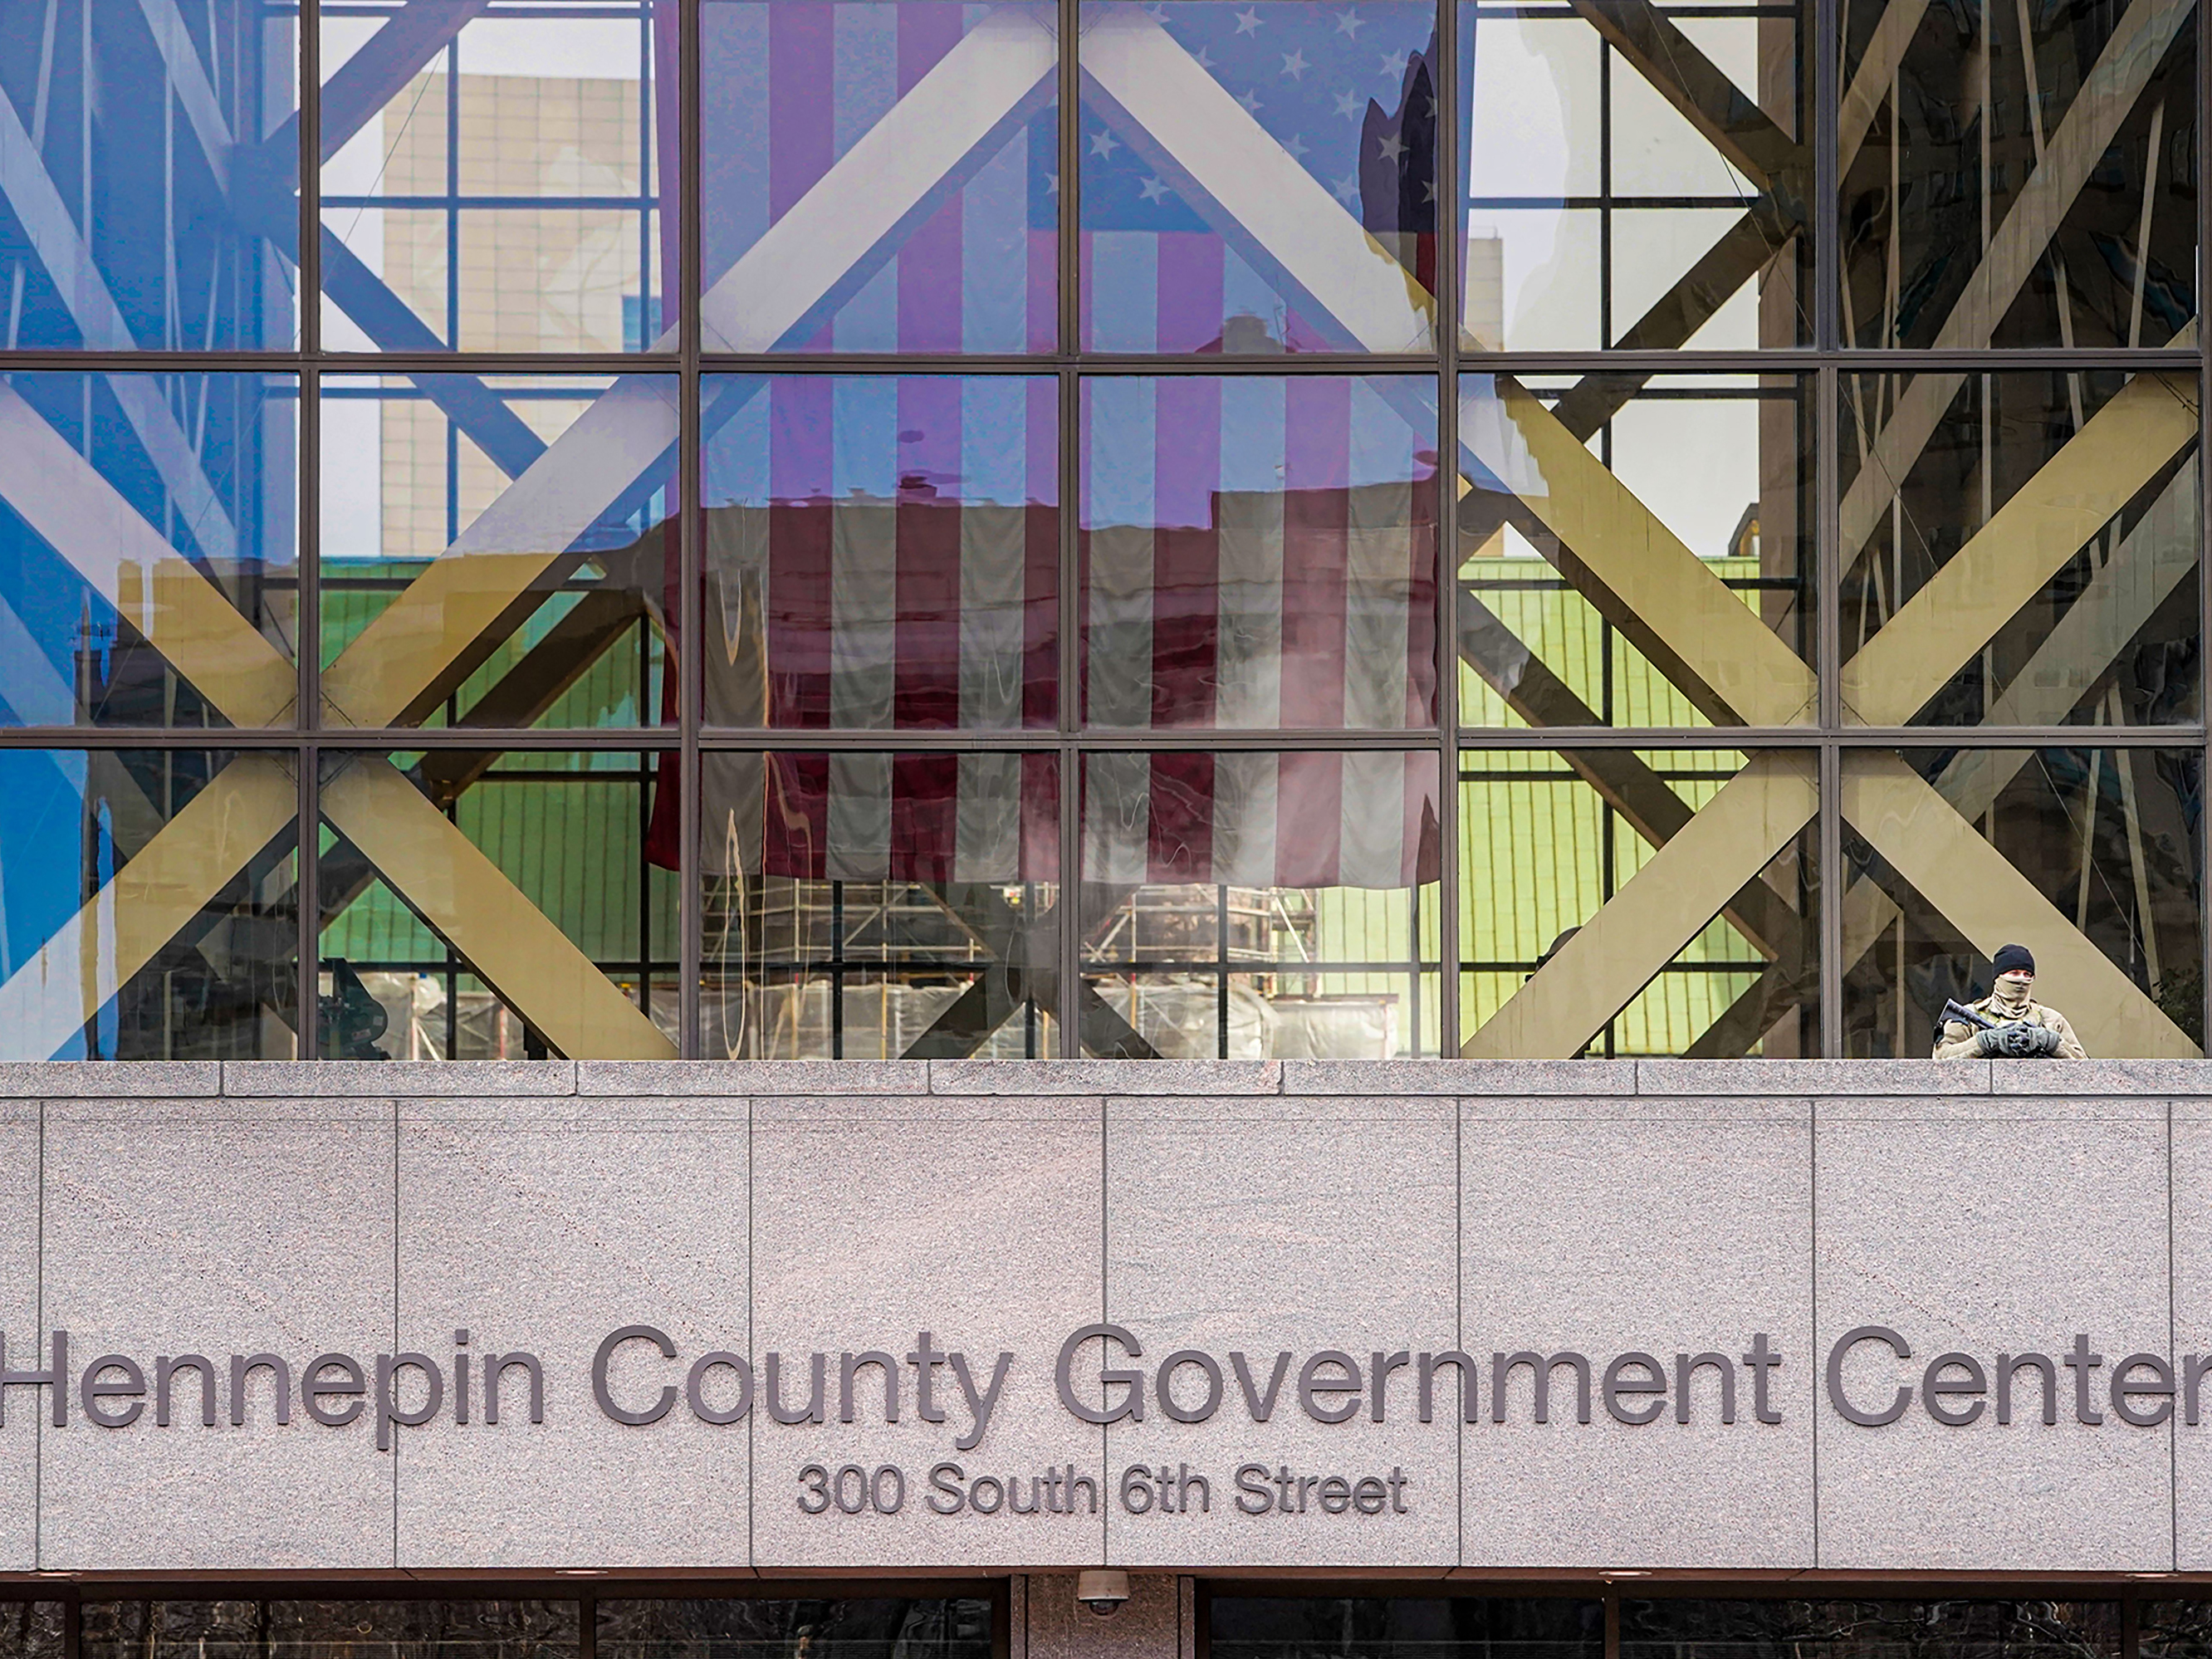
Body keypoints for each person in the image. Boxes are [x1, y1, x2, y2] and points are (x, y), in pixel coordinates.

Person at [1931, 943, 2087, 1059]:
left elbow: (2087, 1069)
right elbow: (1939, 1059)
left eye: (2027, 975)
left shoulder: (2051, 1019)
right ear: (1998, 977)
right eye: (2014, 973)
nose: (2021, 980)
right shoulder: (1970, 1016)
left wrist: (2051, 1042)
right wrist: (1983, 1042)